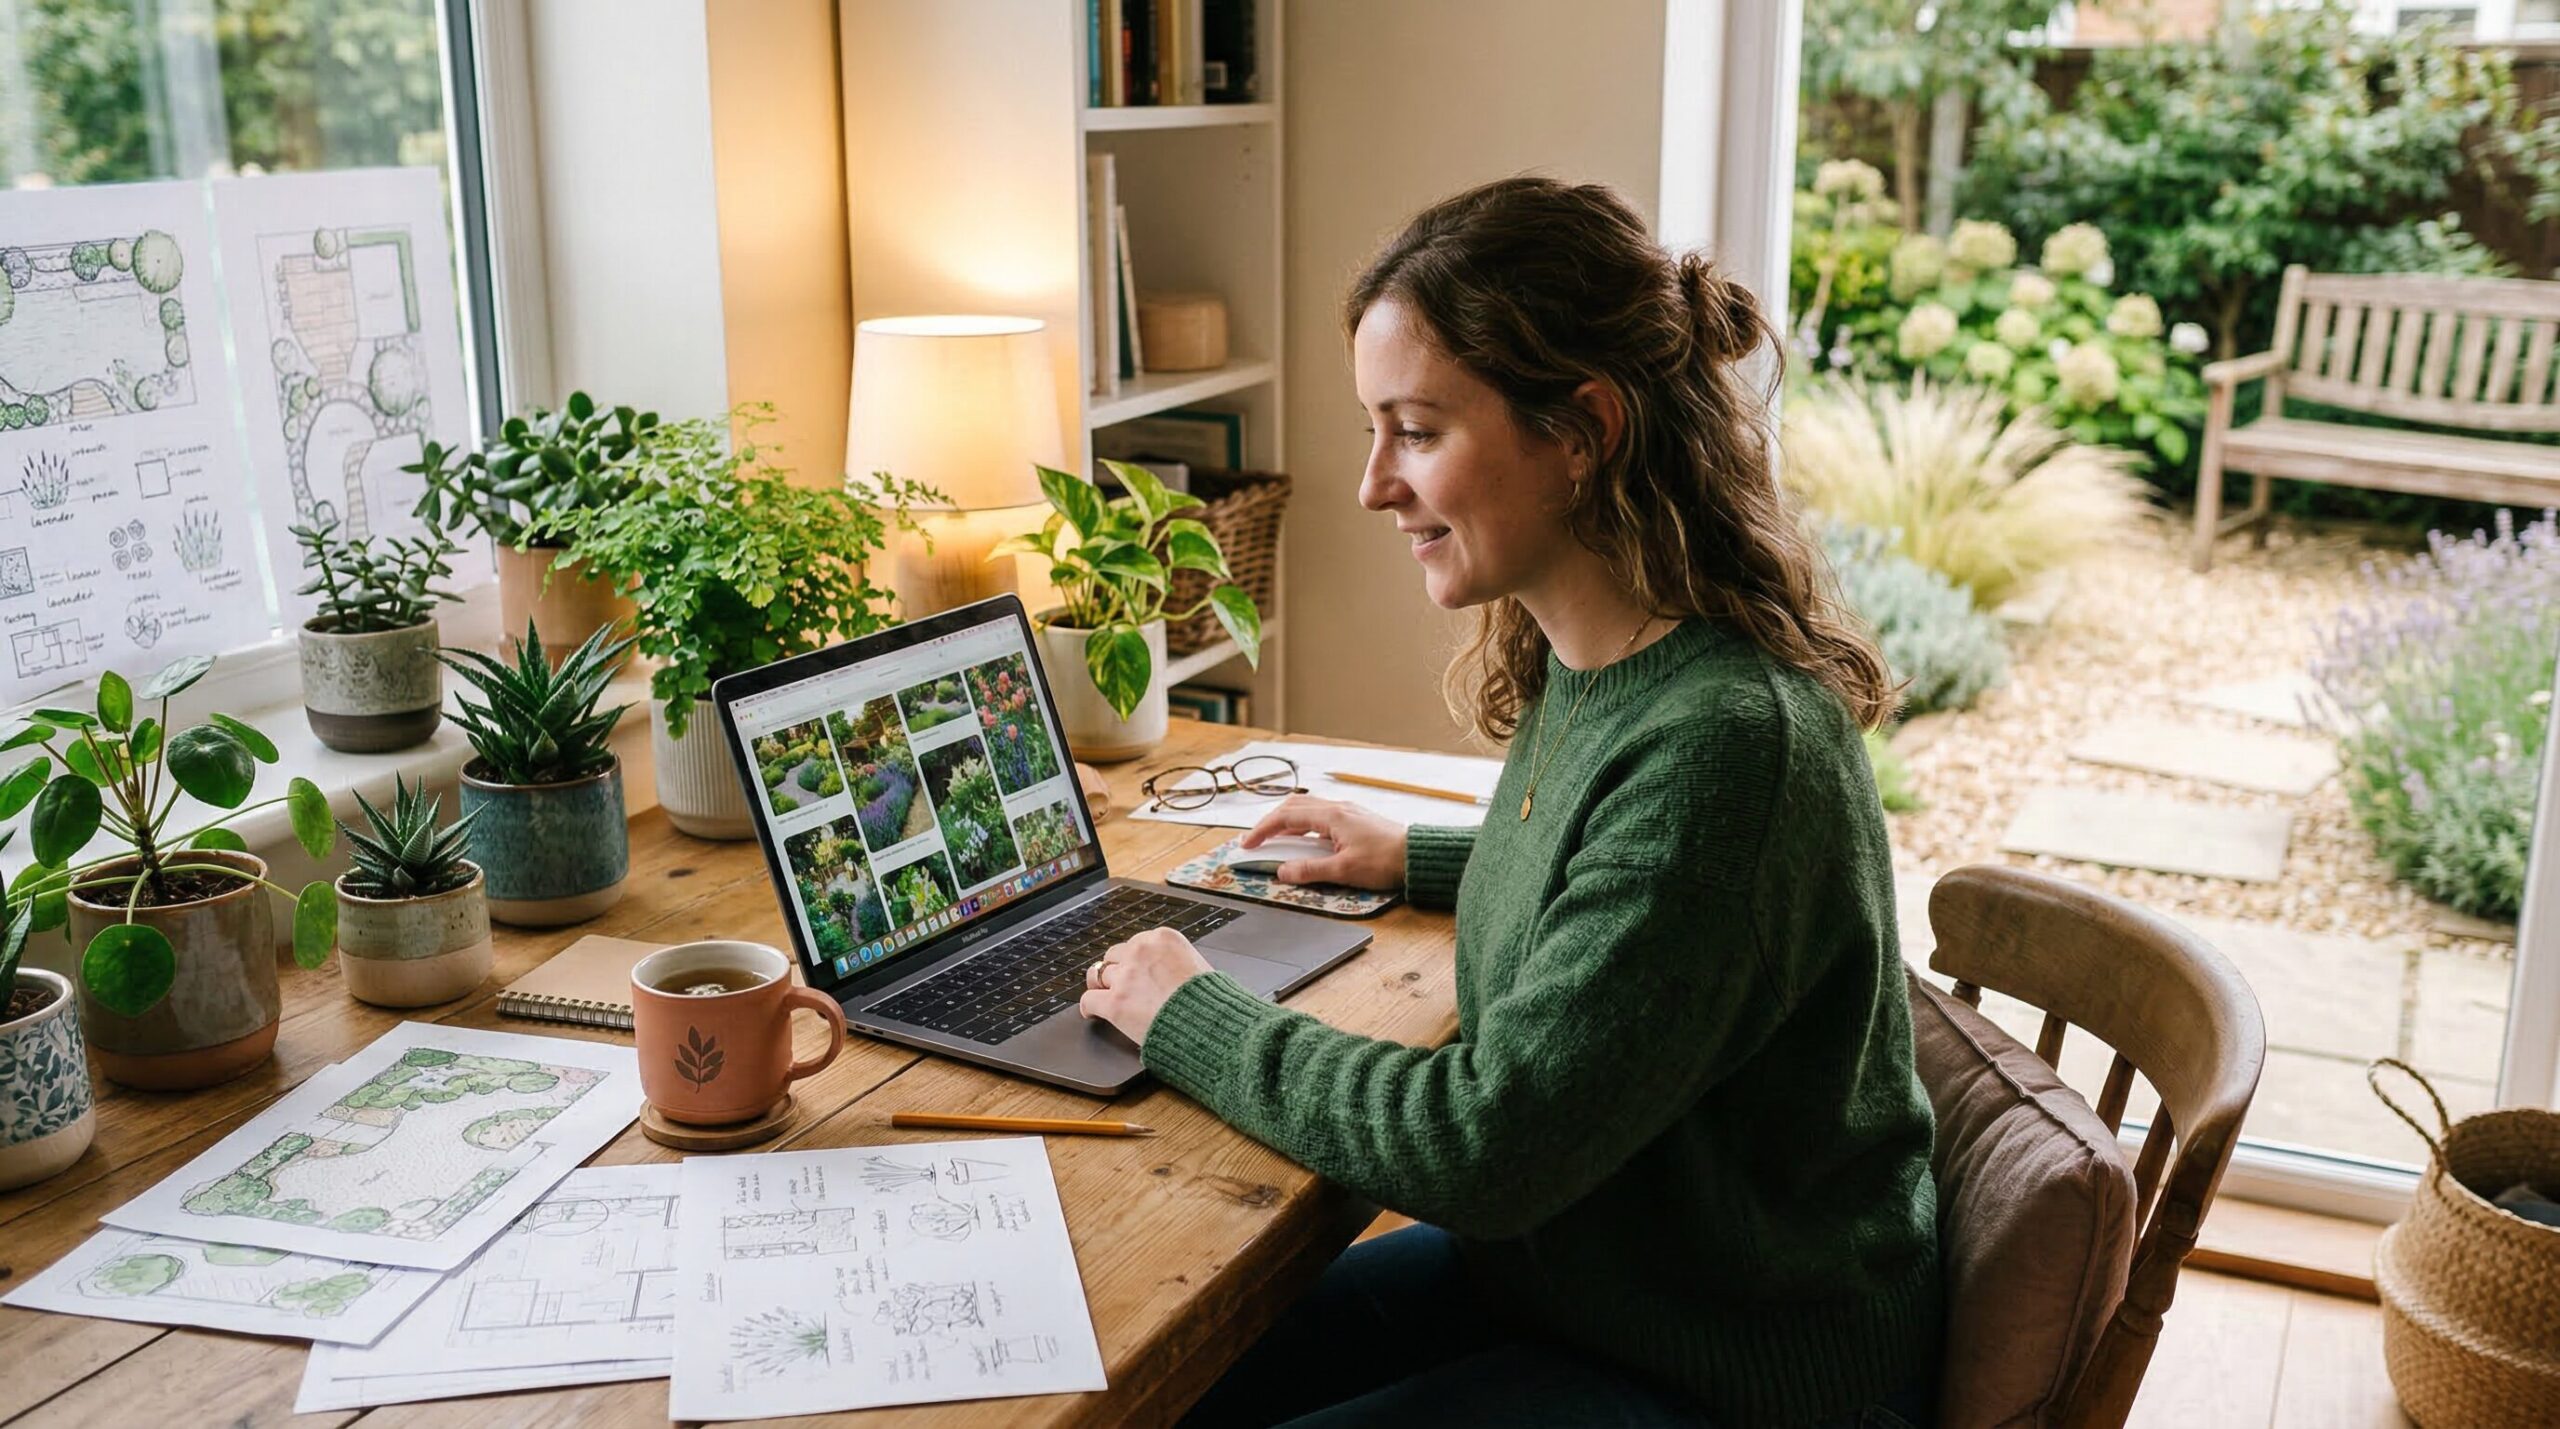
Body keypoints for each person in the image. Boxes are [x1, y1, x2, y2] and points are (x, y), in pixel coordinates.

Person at [1078, 176, 1941, 1428]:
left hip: (1728, 1365)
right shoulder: (1608, 663)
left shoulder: (1728, 748)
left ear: (1584, 429)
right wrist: (1418, 854)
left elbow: (1475, 1149)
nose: (1374, 484)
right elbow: (1630, 901)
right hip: (1591, 1277)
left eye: (1416, 431)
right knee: (1158, 1390)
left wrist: (1189, 1016)